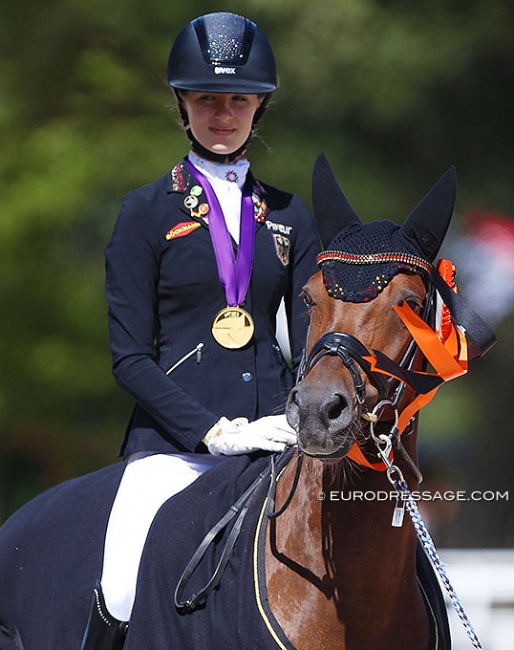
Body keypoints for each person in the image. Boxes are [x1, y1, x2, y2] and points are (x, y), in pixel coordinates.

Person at [81, 11, 321, 649]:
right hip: (172, 448)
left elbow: (313, 341)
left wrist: (294, 419)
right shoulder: (143, 213)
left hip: (276, 436)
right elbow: (129, 359)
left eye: (239, 99)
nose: (223, 114)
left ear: (259, 107)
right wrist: (210, 432)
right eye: (207, 99)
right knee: (122, 577)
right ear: (182, 104)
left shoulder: (292, 217)